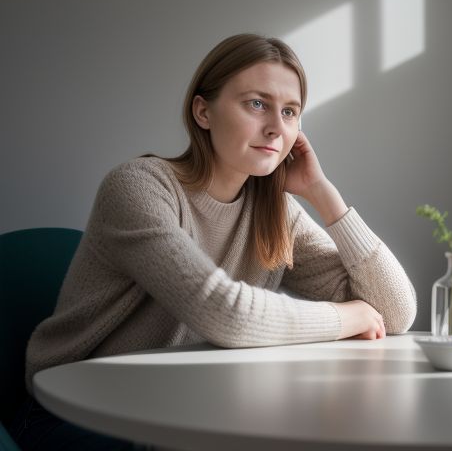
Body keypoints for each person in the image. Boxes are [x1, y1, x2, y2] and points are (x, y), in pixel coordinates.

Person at [11, 33, 417, 449]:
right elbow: (226, 314)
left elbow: (396, 311)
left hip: (182, 409)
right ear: (203, 112)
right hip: (77, 413)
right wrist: (349, 318)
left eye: (290, 111)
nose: (277, 127)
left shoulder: (275, 212)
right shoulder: (138, 187)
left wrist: (322, 193)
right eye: (257, 103)